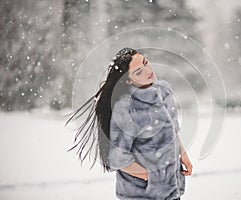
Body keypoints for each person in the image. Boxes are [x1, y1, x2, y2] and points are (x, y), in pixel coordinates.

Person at [65, 47, 193, 200]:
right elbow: (118, 158)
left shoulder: (163, 91)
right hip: (140, 195)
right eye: (138, 71)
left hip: (172, 192)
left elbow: (172, 130)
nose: (147, 71)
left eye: (145, 62)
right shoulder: (125, 107)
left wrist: (183, 154)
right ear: (127, 79)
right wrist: (154, 179)